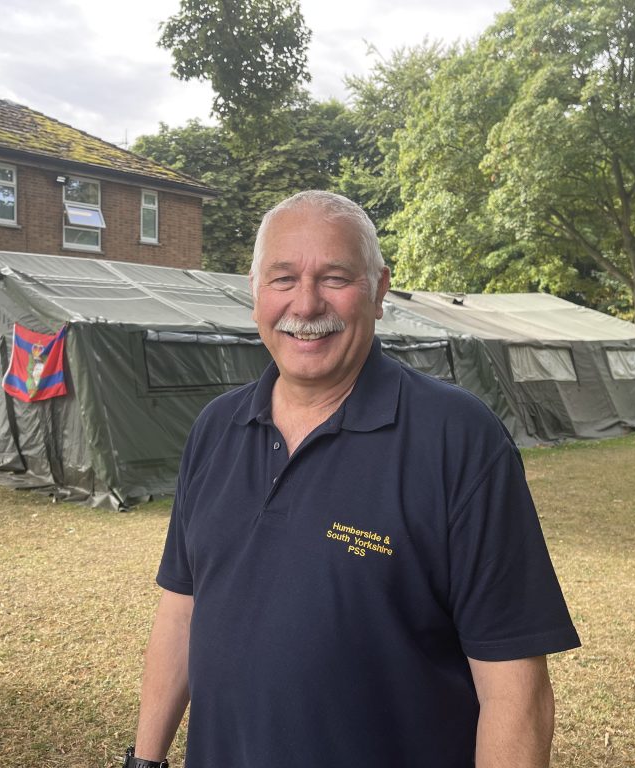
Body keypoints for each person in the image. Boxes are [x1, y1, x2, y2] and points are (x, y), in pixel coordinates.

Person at [123, 190, 580, 768]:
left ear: (380, 290)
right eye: (283, 277)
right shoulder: (216, 429)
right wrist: (145, 759)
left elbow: (514, 686)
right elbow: (182, 609)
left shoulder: (458, 440)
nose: (306, 304)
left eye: (335, 277)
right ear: (255, 289)